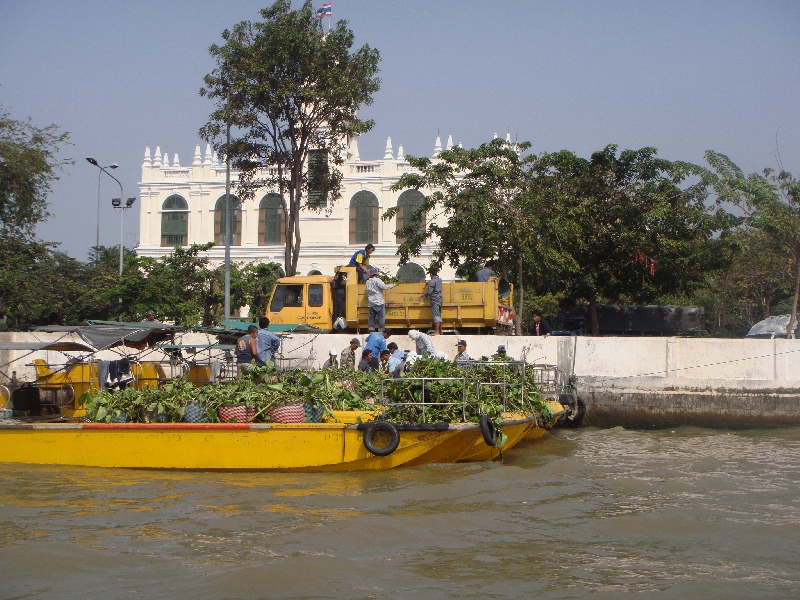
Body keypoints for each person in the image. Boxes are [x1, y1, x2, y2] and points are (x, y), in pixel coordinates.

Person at [422, 267, 443, 335]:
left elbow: (430, 291)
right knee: (439, 314)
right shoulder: (439, 280)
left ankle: (437, 331)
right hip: (440, 299)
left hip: (434, 299)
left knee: (436, 315)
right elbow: (436, 281)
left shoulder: (432, 282)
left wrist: (424, 295)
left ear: (431, 274)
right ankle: (440, 330)